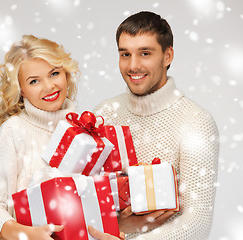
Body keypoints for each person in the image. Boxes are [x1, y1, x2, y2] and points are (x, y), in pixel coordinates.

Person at [0, 34, 123, 240]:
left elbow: (93, 199)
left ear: (66, 74)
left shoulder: (86, 130)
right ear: (21, 90)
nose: (49, 86)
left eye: (54, 74)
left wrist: (114, 227)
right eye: (34, 81)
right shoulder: (14, 131)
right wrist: (26, 234)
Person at [94, 11, 219, 239]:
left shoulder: (196, 123)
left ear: (167, 55)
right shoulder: (105, 113)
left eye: (145, 53)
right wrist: (117, 224)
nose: (133, 65)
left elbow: (197, 223)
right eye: (125, 54)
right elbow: (84, 199)